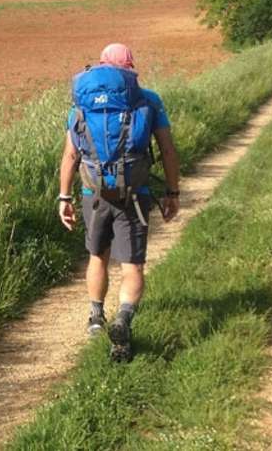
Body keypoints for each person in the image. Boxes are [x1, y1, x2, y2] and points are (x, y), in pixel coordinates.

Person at [57, 43, 180, 362]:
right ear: (130, 67)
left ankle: (96, 318)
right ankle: (123, 319)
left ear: (100, 66)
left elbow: (71, 155)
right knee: (132, 265)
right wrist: (172, 192)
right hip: (134, 194)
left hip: (92, 192)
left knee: (97, 256)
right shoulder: (148, 99)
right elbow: (167, 149)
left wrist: (64, 196)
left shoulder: (81, 103)